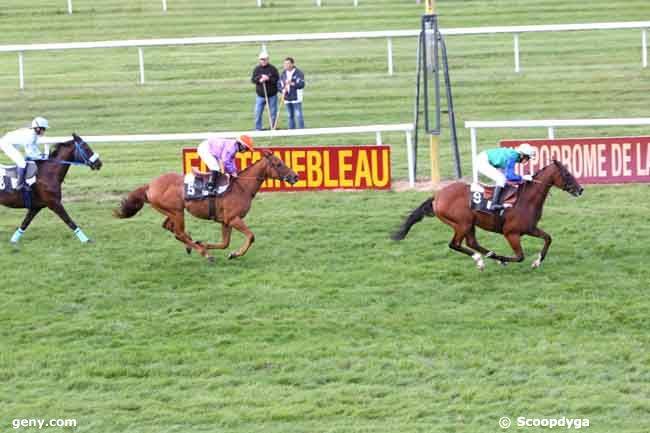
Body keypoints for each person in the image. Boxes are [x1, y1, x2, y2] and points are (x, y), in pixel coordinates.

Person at [476, 142, 537, 210]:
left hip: (485, 158)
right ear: (522, 155)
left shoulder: (514, 155)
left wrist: (520, 178)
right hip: (482, 161)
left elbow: (509, 175)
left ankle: (499, 200)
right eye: (528, 158)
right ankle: (494, 204)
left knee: (503, 179)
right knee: (501, 179)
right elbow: (510, 176)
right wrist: (523, 177)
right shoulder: (513, 156)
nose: (527, 161)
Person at [0, 117, 49, 190]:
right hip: (6, 144)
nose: (44, 131)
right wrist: (41, 157)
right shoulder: (30, 135)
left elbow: (34, 148)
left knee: (24, 160)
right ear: (38, 128)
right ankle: (20, 184)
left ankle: (22, 181)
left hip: (12, 143)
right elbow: (30, 151)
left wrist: (40, 155)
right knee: (22, 163)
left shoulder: (33, 134)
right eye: (43, 129)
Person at [251, 51, 279, 130]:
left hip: (272, 95)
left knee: (273, 113)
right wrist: (260, 79)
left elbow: (277, 80)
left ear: (267, 59)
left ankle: (273, 128)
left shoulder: (273, 69)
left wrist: (268, 79)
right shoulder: (257, 69)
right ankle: (258, 128)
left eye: (264, 59)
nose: (263, 61)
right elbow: (253, 80)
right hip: (260, 95)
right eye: (261, 59)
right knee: (258, 113)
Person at [278, 57, 306, 129]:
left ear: (292, 64)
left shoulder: (298, 73)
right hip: (287, 97)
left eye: (288, 63)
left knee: (298, 114)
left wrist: (292, 83)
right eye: (285, 64)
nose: (286, 65)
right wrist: (282, 90)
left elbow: (301, 85)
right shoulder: (283, 73)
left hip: (296, 97)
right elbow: (279, 84)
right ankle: (291, 130)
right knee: (290, 115)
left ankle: (301, 129)